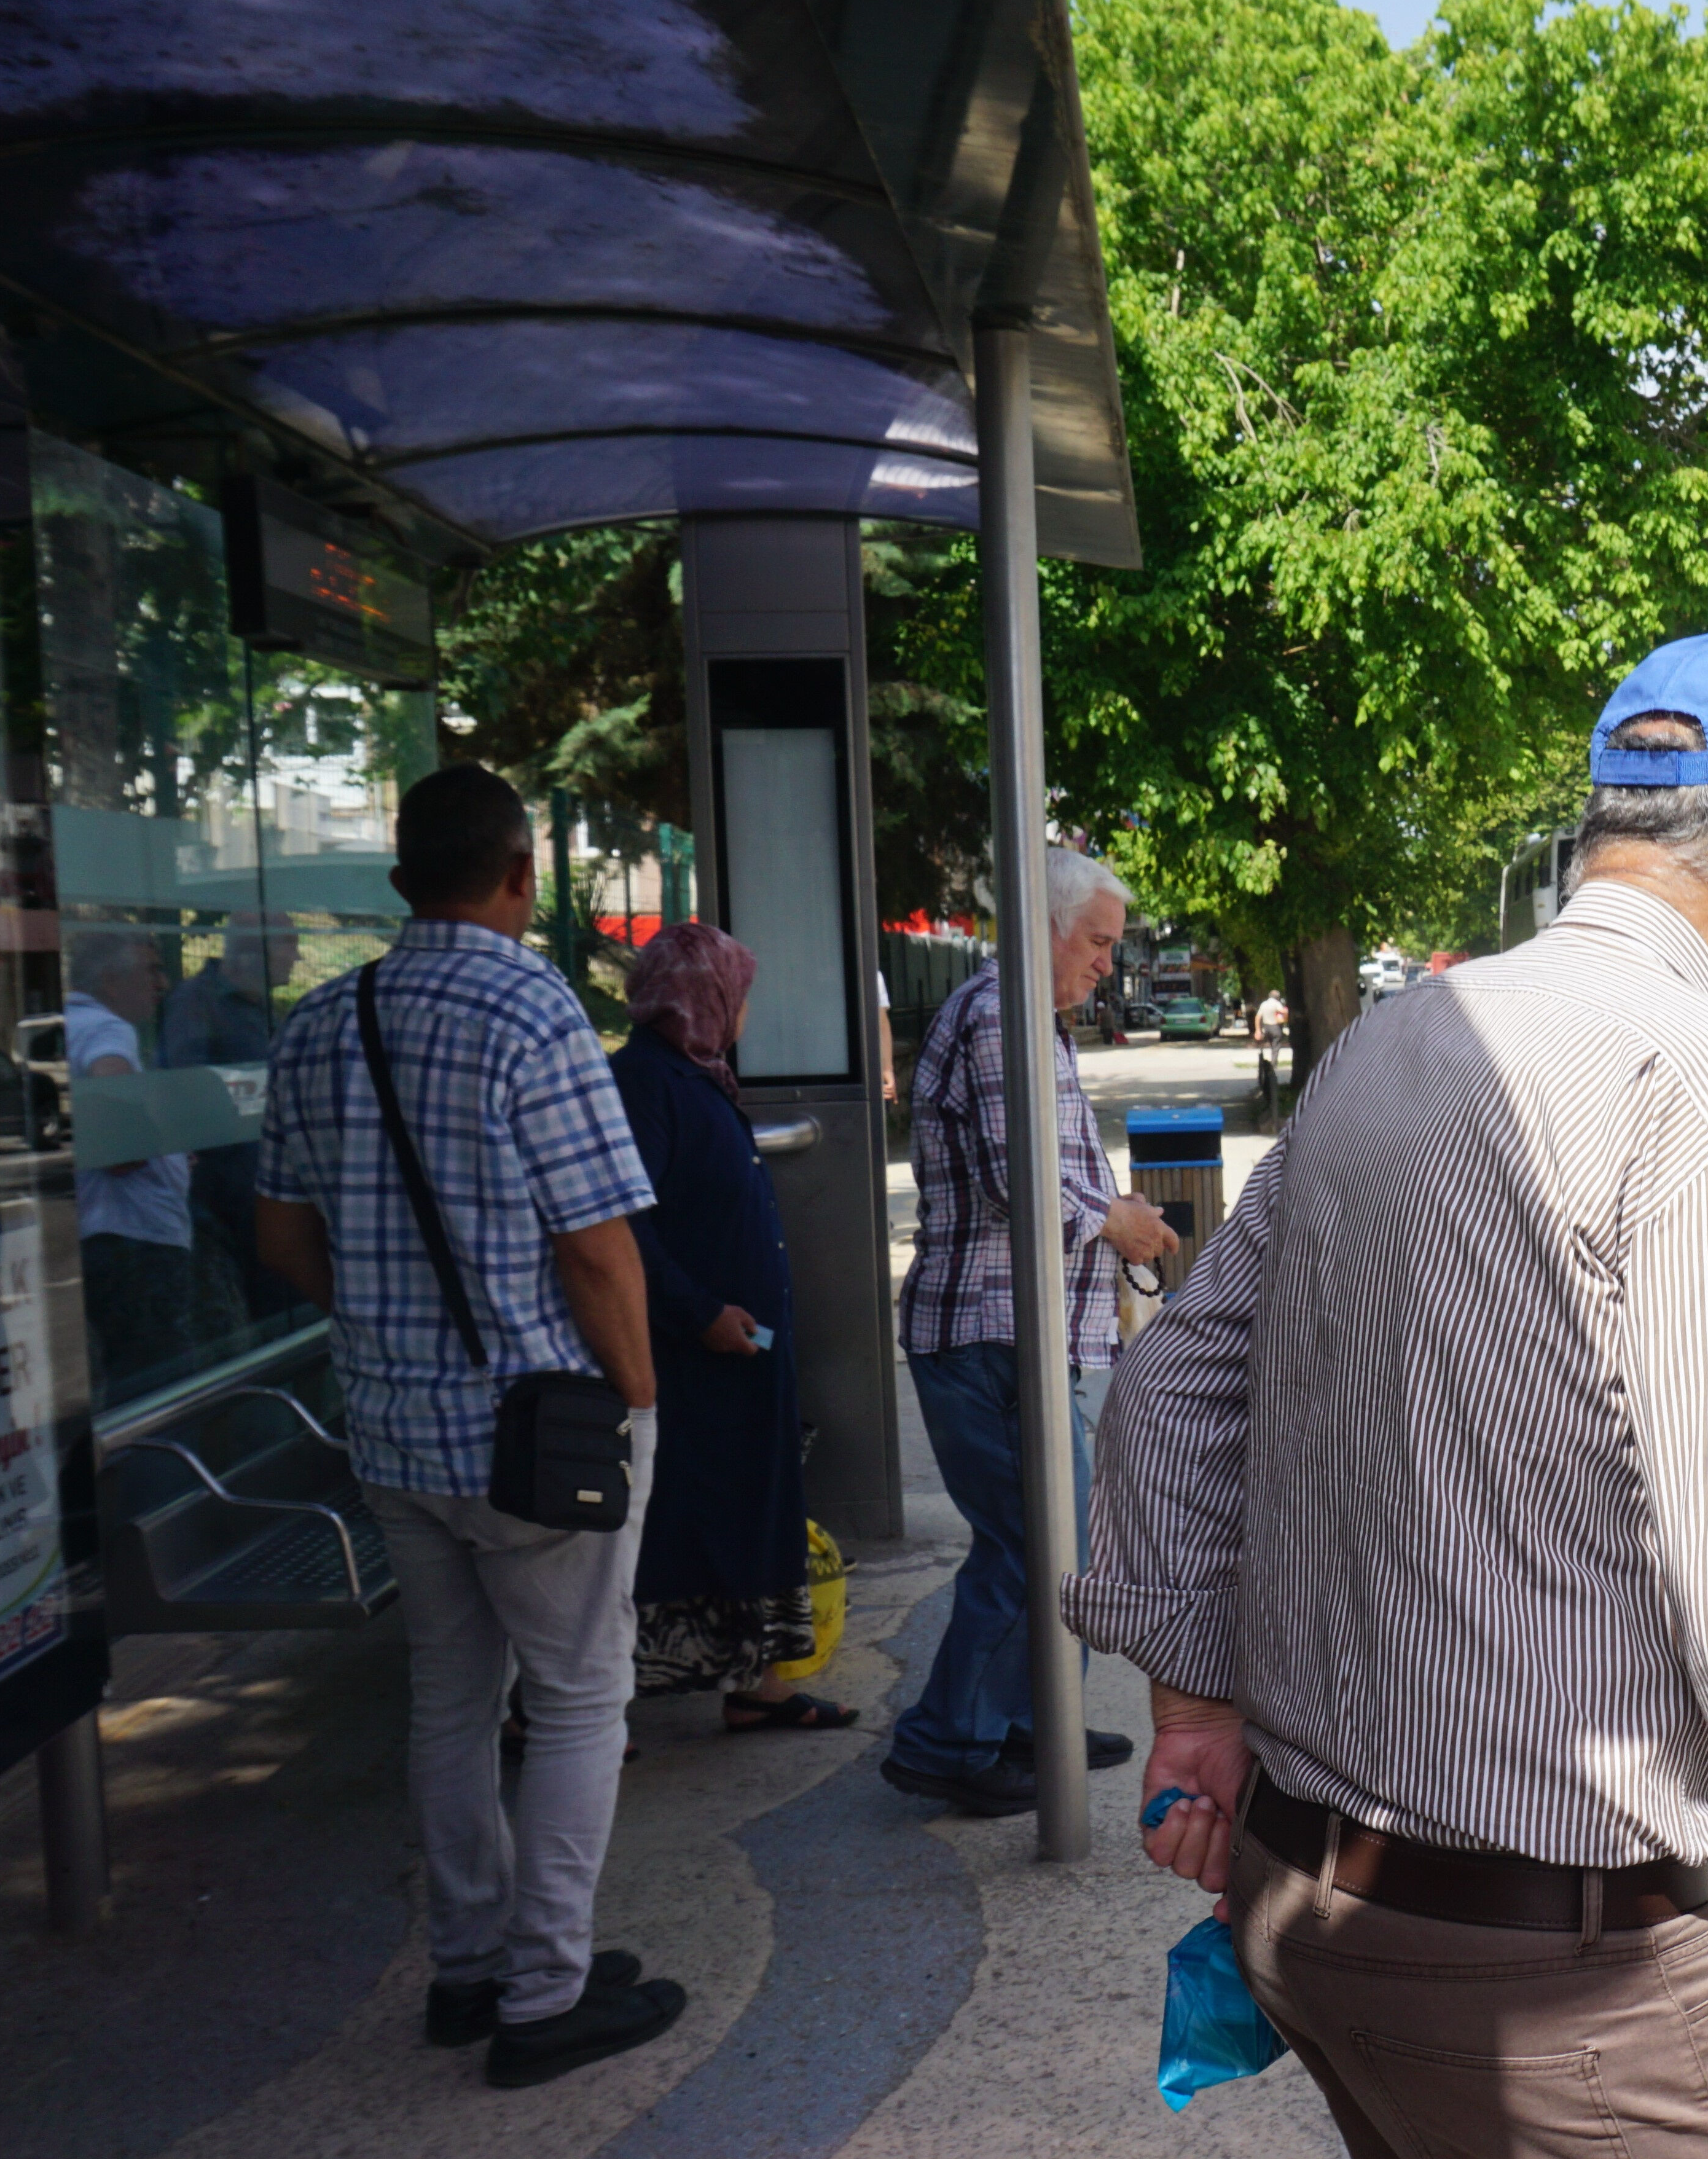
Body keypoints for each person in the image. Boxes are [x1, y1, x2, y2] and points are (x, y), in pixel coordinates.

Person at [1071, 628, 1708, 2159]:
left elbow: (1175, 1388)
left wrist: (1196, 1709)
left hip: (1311, 1908)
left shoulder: (1404, 1041)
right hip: (1554, 1982)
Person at [253, 766, 684, 2090]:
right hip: (536, 1432)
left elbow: (280, 1233)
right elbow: (599, 1248)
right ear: (519, 874)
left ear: (400, 881)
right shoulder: (532, 1010)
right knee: (577, 1695)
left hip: (392, 1433)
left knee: (450, 1695)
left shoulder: (324, 1020)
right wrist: (641, 1397)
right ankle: (545, 1989)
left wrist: (393, 1327)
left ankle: (468, 1965)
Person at [882, 845, 1180, 1818]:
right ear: (1042, 926)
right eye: (1096, 943)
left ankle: (1024, 1721)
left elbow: (1045, 1179)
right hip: (990, 1330)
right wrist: (1118, 1220)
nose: (1107, 965)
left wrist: (1109, 1209)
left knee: (1046, 1543)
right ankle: (954, 1739)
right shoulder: (1003, 1016)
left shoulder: (1017, 1017)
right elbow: (1033, 1191)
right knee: (1036, 1546)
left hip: (1003, 1329)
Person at [609, 921, 854, 1733]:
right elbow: (623, 1225)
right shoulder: (646, 1085)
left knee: (755, 1504)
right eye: (736, 994)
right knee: (684, 1517)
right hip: (692, 1354)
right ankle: (591, 1704)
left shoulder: (696, 1075)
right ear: (703, 999)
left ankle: (759, 1683)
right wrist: (699, 1310)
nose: (745, 1010)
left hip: (739, 1349)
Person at [66, 927, 226, 1402]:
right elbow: (120, 1141)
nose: (163, 984)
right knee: (159, 1391)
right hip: (137, 1244)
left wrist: (166, 1146)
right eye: (151, 970)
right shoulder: (106, 1028)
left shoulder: (63, 1025)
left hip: (95, 1236)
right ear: (111, 981)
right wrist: (145, 1144)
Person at [163, 908, 304, 1323]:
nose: (296, 957)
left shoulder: (266, 1012)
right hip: (228, 1203)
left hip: (272, 1198)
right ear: (252, 952)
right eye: (288, 944)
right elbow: (187, 1094)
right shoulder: (197, 1005)